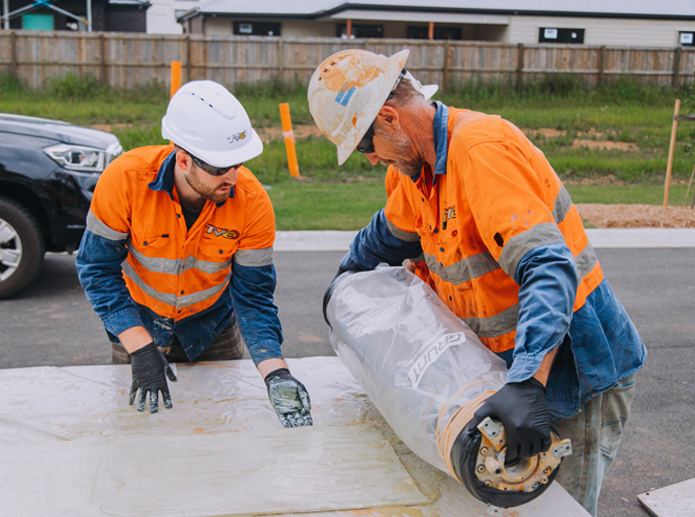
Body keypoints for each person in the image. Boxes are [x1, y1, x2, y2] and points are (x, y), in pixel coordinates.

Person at [308, 49, 645, 515]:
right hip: (516, 368)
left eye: (366, 147)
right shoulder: (414, 175)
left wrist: (528, 382)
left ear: (389, 118)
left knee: (553, 505)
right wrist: (344, 282)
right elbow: (384, 237)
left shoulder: (480, 151)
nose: (370, 161)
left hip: (574, 370)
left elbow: (547, 268)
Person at [76, 80, 312, 428]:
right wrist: (139, 347)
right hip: (137, 323)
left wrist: (276, 373)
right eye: (219, 168)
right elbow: (97, 268)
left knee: (218, 430)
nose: (233, 177)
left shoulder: (253, 203)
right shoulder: (124, 181)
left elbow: (253, 297)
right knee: (136, 430)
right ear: (184, 159)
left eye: (238, 163)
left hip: (212, 329)